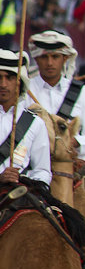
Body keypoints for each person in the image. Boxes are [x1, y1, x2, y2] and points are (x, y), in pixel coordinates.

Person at [28, 30, 85, 165]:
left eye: (55, 57)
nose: (49, 63)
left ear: (65, 59)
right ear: (36, 58)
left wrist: (72, 143)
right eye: (44, 57)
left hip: (74, 161)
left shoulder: (81, 92)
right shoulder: (26, 91)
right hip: (34, 162)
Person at [0, 49, 50, 187]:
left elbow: (42, 171)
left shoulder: (35, 123)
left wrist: (23, 180)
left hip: (22, 194)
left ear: (19, 83)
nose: (3, 84)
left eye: (9, 78)